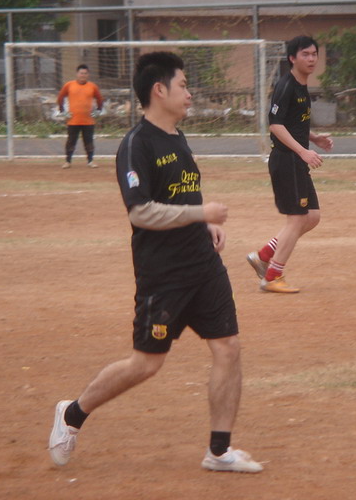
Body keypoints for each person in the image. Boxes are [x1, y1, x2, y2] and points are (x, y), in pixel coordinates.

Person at [48, 52, 262, 473]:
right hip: (163, 276)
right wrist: (200, 213)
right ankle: (72, 413)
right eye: (183, 85)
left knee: (228, 347)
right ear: (159, 90)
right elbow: (141, 211)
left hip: (203, 266)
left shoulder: (178, 138)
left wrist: (203, 224)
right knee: (146, 363)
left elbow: (180, 193)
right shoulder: (136, 145)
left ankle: (219, 451)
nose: (189, 93)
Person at [246, 35, 333, 293]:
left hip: (295, 160)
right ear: (292, 58)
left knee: (312, 217)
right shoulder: (286, 86)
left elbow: (293, 123)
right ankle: (272, 276)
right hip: (287, 160)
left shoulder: (301, 85)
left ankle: (263, 256)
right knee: (296, 219)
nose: (311, 59)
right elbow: (276, 125)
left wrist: (314, 138)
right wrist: (303, 151)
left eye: (314, 54)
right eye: (305, 54)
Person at [57, 64, 104, 168]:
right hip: (73, 120)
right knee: (71, 141)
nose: (83, 75)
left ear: (88, 75)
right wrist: (62, 111)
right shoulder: (69, 85)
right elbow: (60, 97)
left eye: (85, 73)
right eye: (81, 73)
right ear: (77, 74)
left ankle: (90, 161)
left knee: (89, 141)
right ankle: (68, 161)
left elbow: (100, 99)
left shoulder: (92, 86)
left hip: (88, 120)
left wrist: (98, 110)